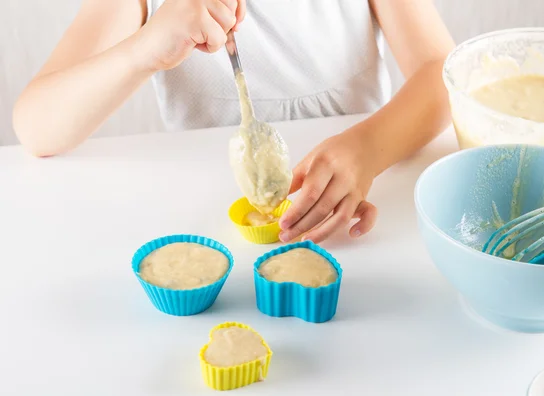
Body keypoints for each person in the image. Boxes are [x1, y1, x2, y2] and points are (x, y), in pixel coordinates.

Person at [12, 0, 455, 244]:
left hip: (353, 226)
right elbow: (36, 126)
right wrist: (144, 49)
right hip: (212, 233)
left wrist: (369, 150)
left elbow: (445, 73)